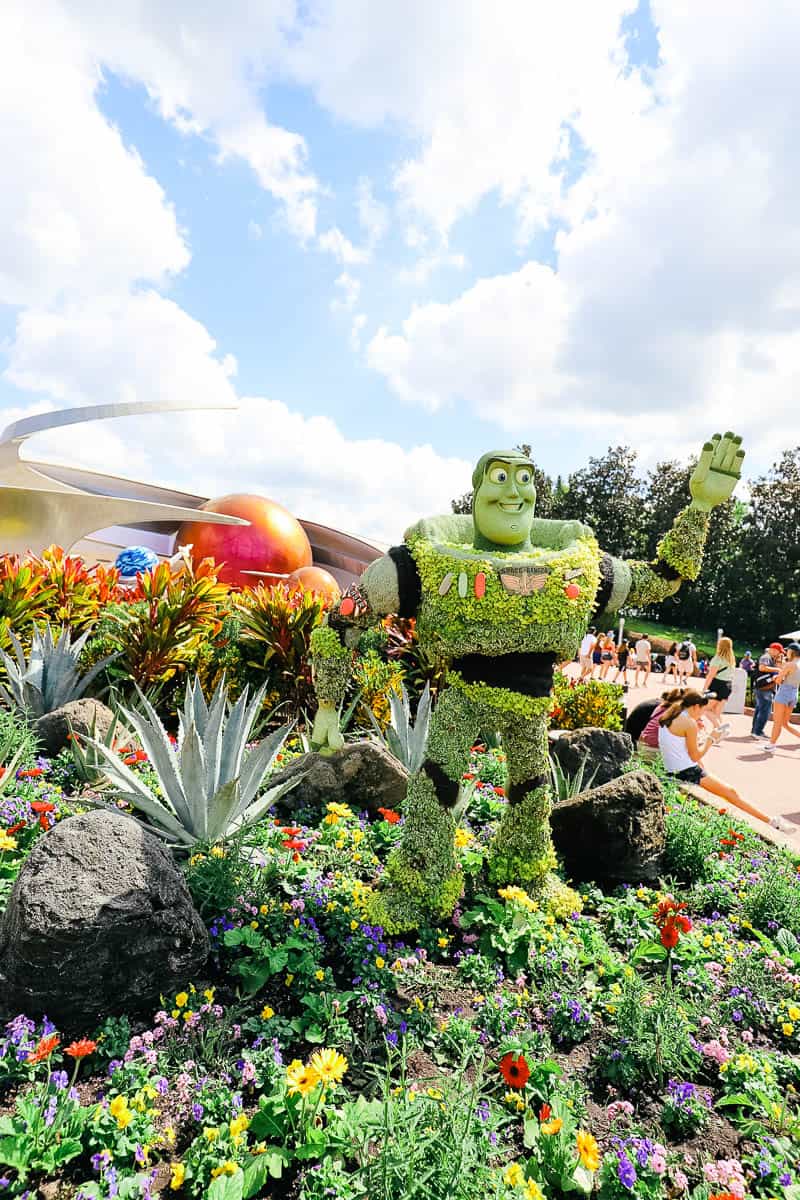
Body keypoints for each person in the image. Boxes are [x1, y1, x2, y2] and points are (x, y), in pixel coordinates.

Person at [658, 690, 790, 830]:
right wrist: (712, 738)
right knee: (731, 793)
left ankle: (771, 822)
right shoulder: (689, 723)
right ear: (695, 706)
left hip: (673, 769)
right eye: (703, 710)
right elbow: (695, 756)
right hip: (687, 772)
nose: (702, 715)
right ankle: (772, 822)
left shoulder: (670, 715)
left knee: (726, 791)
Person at [764, 642, 800, 754]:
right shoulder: (798, 664)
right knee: (785, 723)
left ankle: (771, 745)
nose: (786, 652)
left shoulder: (790, 665)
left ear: (792, 652)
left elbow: (779, 680)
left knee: (777, 722)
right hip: (793, 694)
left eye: (788, 650)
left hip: (784, 693)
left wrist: (776, 677)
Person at [751, 641, 785, 739]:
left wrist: (779, 662)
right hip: (764, 688)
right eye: (779, 652)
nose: (780, 654)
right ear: (773, 650)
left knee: (759, 709)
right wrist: (777, 670)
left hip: (762, 687)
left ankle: (755, 731)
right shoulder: (766, 657)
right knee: (765, 710)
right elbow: (762, 667)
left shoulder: (771, 658)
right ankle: (758, 732)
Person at [704, 636, 736, 733]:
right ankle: (717, 734)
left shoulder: (718, 658)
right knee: (716, 712)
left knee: (705, 709)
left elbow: (711, 675)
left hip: (717, 685)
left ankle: (719, 728)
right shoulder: (731, 659)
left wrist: (704, 688)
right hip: (728, 686)